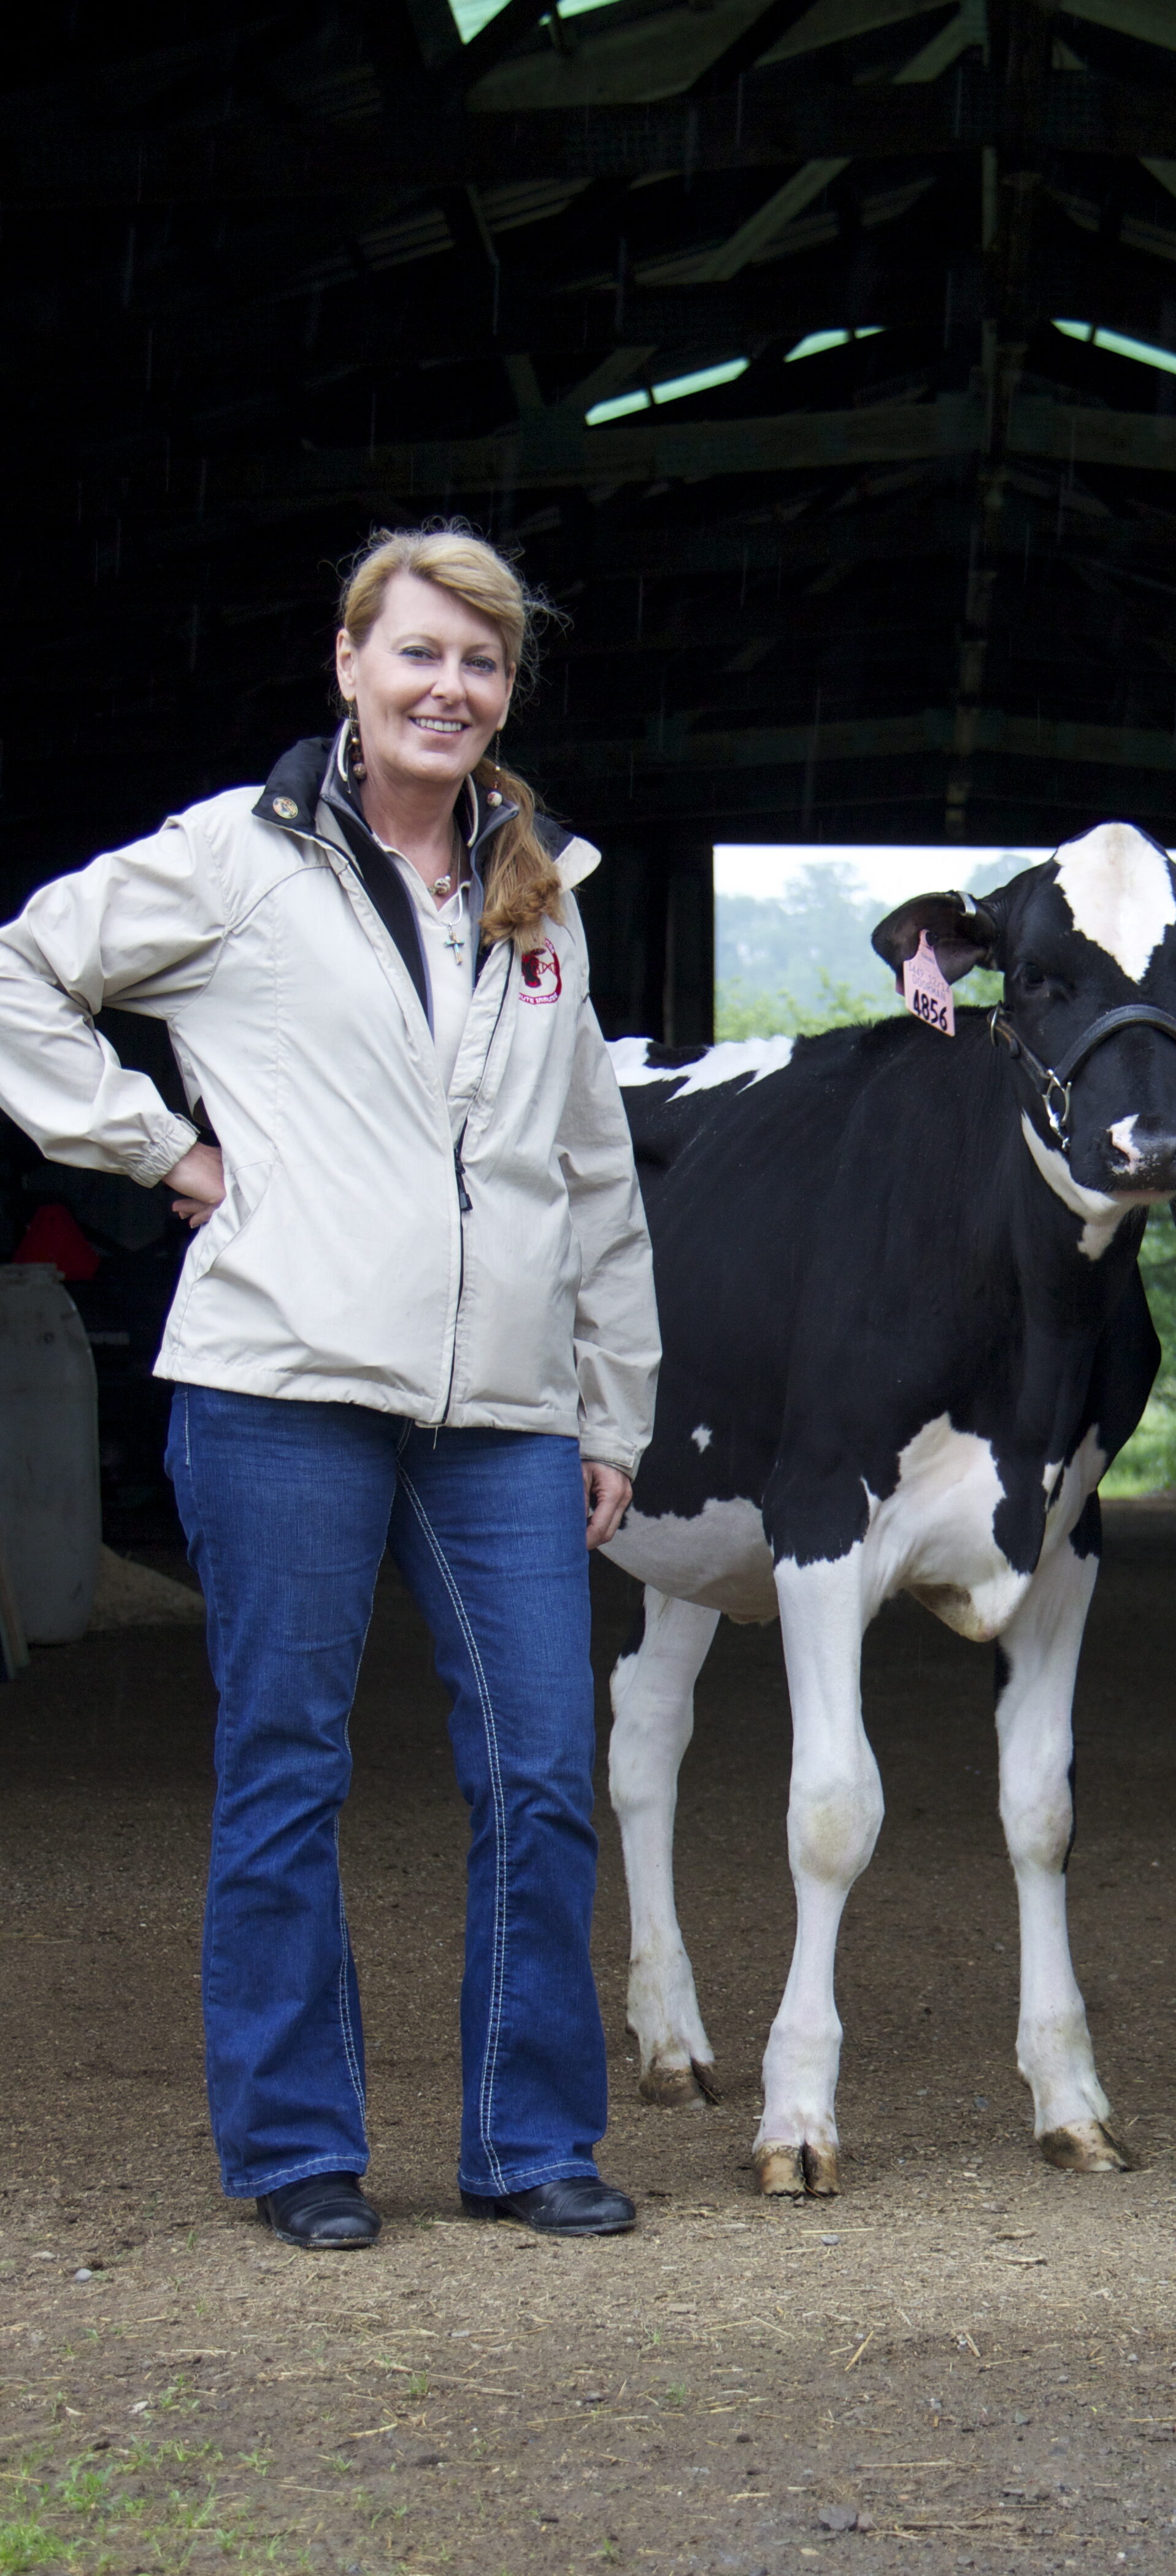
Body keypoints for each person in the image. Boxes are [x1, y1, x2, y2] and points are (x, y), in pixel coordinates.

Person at [0, 525, 659, 2250]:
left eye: (483, 663)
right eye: (420, 655)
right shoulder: (237, 856)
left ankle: (530, 2141)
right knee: (286, 1761)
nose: (451, 689)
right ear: (351, 668)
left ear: (508, 691)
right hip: (282, 1377)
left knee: (539, 1763)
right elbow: (22, 968)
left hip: (507, 1409)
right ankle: (298, 2149)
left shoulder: (542, 890)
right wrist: (159, 1151)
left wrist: (618, 1405)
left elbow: (594, 1169)